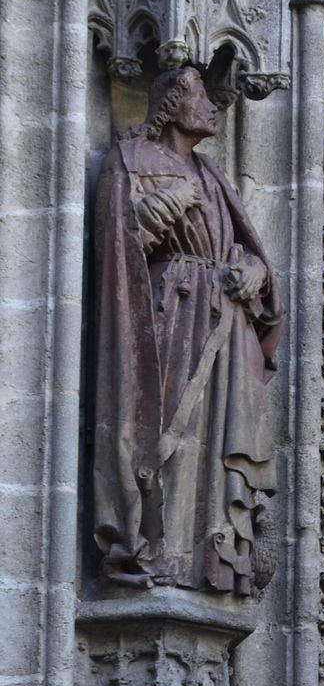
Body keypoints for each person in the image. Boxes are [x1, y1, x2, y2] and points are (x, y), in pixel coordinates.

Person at [92, 66, 283, 593]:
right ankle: (159, 549)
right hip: (169, 315)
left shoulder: (213, 175)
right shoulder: (130, 159)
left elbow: (243, 246)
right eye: (201, 97)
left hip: (226, 321)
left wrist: (255, 271)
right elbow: (117, 244)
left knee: (218, 440)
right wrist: (167, 204)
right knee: (169, 429)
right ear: (172, 104)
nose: (212, 107)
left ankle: (213, 557)